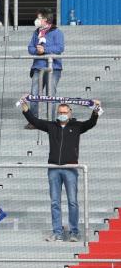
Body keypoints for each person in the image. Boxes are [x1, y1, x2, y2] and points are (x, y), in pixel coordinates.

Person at [21, 99, 99, 242]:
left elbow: (91, 123)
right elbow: (34, 120)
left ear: (70, 113)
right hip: (54, 169)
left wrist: (96, 109)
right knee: (55, 202)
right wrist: (24, 106)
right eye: (60, 112)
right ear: (57, 114)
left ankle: (74, 232)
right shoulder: (51, 126)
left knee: (73, 202)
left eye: (65, 112)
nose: (62, 114)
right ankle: (57, 232)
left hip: (70, 168)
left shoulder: (77, 126)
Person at [25, 9, 64, 123]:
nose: (37, 20)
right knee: (34, 94)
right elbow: (30, 48)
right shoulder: (36, 32)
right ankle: (34, 120)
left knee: (50, 94)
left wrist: (45, 50)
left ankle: (50, 120)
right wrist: (37, 51)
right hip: (38, 67)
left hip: (53, 68)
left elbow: (60, 48)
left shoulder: (57, 32)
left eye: (39, 18)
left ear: (46, 20)